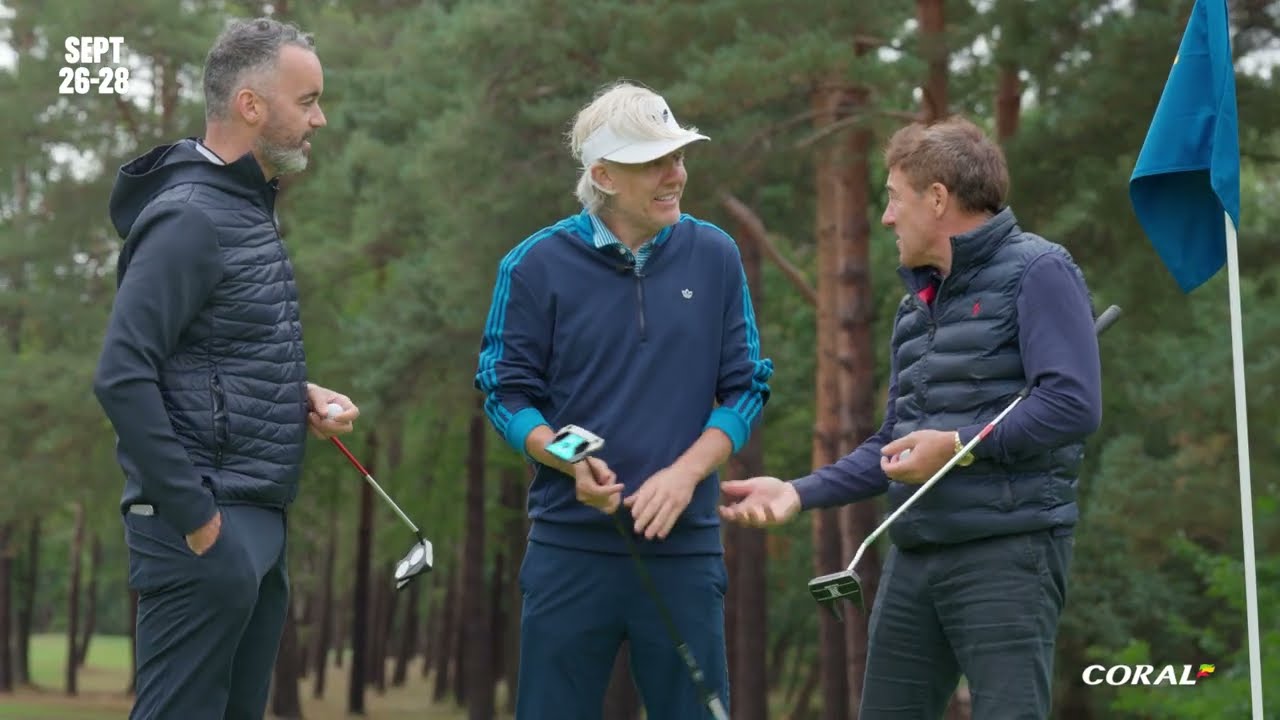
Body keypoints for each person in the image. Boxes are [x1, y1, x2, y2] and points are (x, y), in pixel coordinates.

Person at [720, 115, 1102, 719]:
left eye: (894, 199)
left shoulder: (1040, 270)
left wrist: (954, 445)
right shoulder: (916, 305)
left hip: (1008, 554)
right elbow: (893, 446)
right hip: (917, 552)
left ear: (938, 198)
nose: (886, 217)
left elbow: (1072, 405)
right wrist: (797, 493)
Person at [474, 80, 773, 719]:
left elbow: (745, 387)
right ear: (603, 175)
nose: (675, 175)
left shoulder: (715, 255)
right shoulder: (533, 265)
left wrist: (686, 474)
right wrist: (563, 458)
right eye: (653, 163)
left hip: (685, 550)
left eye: (679, 157)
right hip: (569, 550)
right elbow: (505, 392)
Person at [92, 17, 359, 720]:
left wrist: (294, 393)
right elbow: (123, 373)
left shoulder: (243, 209)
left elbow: (210, 354)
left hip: (253, 523)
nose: (319, 119)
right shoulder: (191, 217)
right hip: (206, 527)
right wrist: (199, 520)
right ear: (250, 105)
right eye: (307, 101)